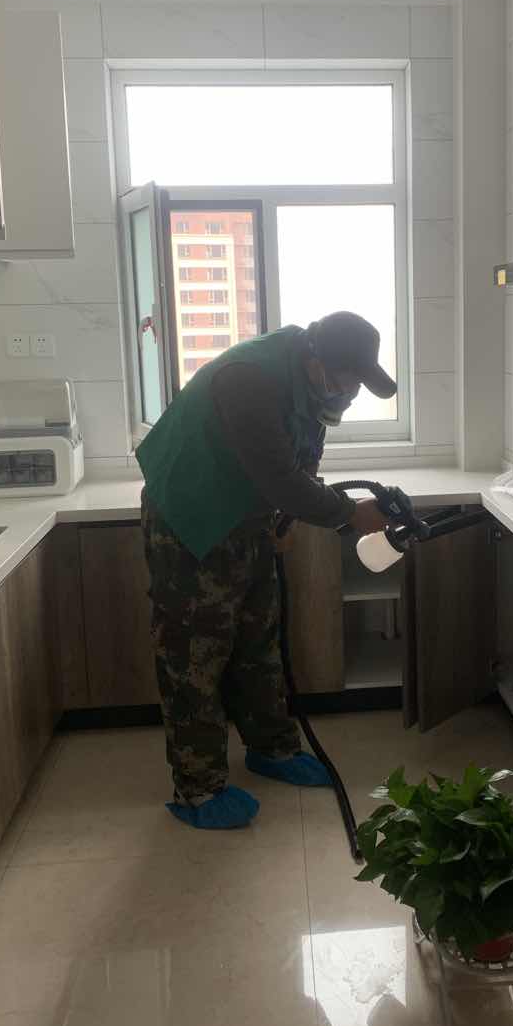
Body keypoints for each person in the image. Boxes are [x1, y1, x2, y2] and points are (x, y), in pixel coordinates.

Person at [136, 311, 395, 831]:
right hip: (191, 514)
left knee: (258, 638)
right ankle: (198, 789)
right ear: (314, 360)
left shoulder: (314, 384)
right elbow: (278, 475)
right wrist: (348, 514)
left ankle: (271, 748)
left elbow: (302, 459)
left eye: (356, 386)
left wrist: (286, 517)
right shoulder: (248, 380)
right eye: (342, 383)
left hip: (247, 512)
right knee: (195, 653)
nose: (347, 394)